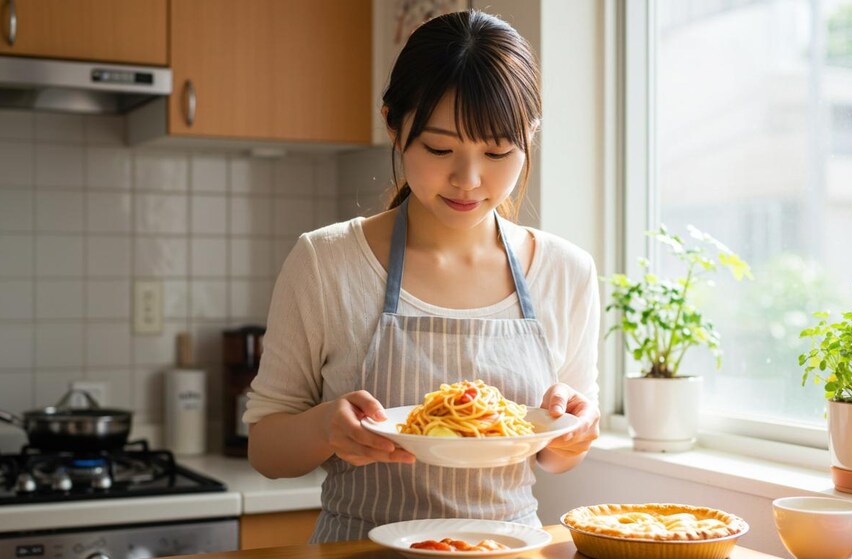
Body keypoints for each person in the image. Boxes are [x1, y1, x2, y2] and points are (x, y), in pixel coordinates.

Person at [243, 9, 601, 543]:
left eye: (499, 151)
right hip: (358, 551)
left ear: (530, 137)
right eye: (439, 148)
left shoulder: (566, 271)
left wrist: (574, 431)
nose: (469, 179)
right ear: (394, 125)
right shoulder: (326, 261)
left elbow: (555, 454)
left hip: (506, 551)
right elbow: (266, 451)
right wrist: (324, 428)